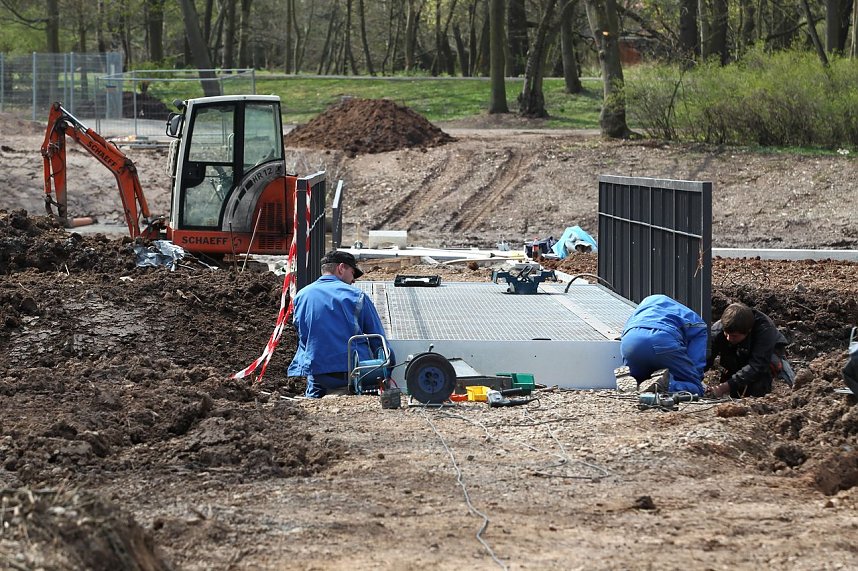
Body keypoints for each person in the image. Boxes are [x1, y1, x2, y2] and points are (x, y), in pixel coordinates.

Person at [287, 250, 393, 398]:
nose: (353, 280)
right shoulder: (356, 296)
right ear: (341, 268)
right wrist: (387, 369)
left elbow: (301, 332)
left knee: (313, 402)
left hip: (316, 372)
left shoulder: (301, 296)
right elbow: (378, 339)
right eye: (352, 272)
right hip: (350, 371)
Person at [619, 294, 708, 396]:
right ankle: (666, 386)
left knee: (642, 378)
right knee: (696, 388)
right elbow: (697, 363)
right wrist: (696, 380)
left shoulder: (647, 302)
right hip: (663, 341)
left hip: (630, 342)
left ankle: (634, 381)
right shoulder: (696, 321)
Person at [706, 302, 793, 398]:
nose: (729, 338)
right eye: (726, 334)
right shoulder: (718, 330)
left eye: (734, 336)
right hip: (736, 353)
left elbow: (757, 365)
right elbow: (706, 358)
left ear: (748, 331)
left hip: (766, 355)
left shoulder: (765, 330)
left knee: (759, 380)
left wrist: (723, 388)